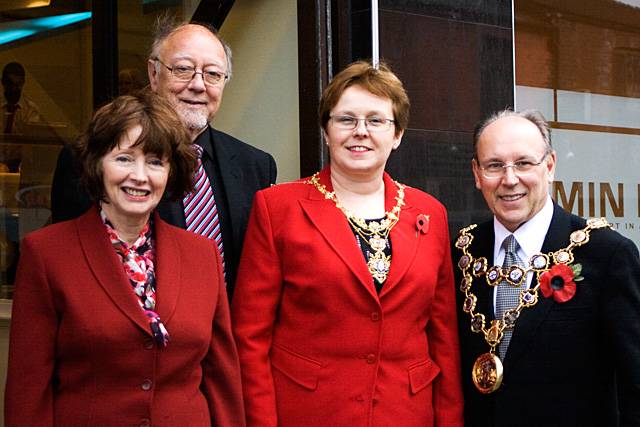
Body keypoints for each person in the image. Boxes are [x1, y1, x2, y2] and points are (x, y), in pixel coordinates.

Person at [232, 61, 463, 426]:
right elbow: (250, 337)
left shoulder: (430, 213)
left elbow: (444, 339)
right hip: (309, 413)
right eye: (346, 119)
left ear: (398, 134)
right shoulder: (278, 208)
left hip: (404, 413)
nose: (361, 132)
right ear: (326, 130)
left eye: (376, 120)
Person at [5, 90, 245, 426]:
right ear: (97, 164)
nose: (140, 175)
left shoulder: (201, 254)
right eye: (124, 158)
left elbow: (221, 377)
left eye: (155, 161)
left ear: (171, 172)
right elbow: (28, 389)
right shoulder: (47, 254)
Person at [50, 19, 276, 297]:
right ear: (154, 74)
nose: (198, 85)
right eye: (183, 69)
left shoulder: (256, 166)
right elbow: (69, 272)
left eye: (213, 74)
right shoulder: (89, 158)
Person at [454, 109, 640, 426]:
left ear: (550, 166)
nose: (509, 179)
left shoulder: (606, 254)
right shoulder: (462, 252)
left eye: (524, 163)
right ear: (476, 173)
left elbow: (635, 383)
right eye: (494, 165)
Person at [1, 62, 41, 135]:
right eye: (10, 84)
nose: (13, 88)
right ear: (3, 82)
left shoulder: (31, 109)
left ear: (23, 83)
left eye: (17, 85)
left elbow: (31, 138)